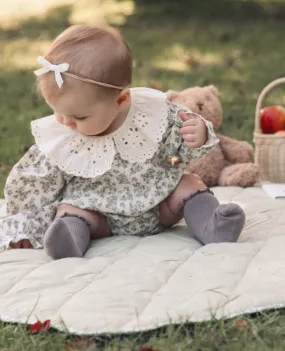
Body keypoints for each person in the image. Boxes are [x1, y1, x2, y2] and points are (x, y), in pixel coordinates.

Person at [0, 25, 245, 259]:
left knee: (189, 183)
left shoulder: (152, 115)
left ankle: (213, 224)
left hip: (159, 204)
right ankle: (69, 240)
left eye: (79, 116)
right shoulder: (63, 136)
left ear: (121, 100)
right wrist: (23, 227)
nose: (66, 122)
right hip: (98, 213)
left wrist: (199, 134)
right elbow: (36, 185)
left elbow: (179, 149)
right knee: (69, 210)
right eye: (58, 111)